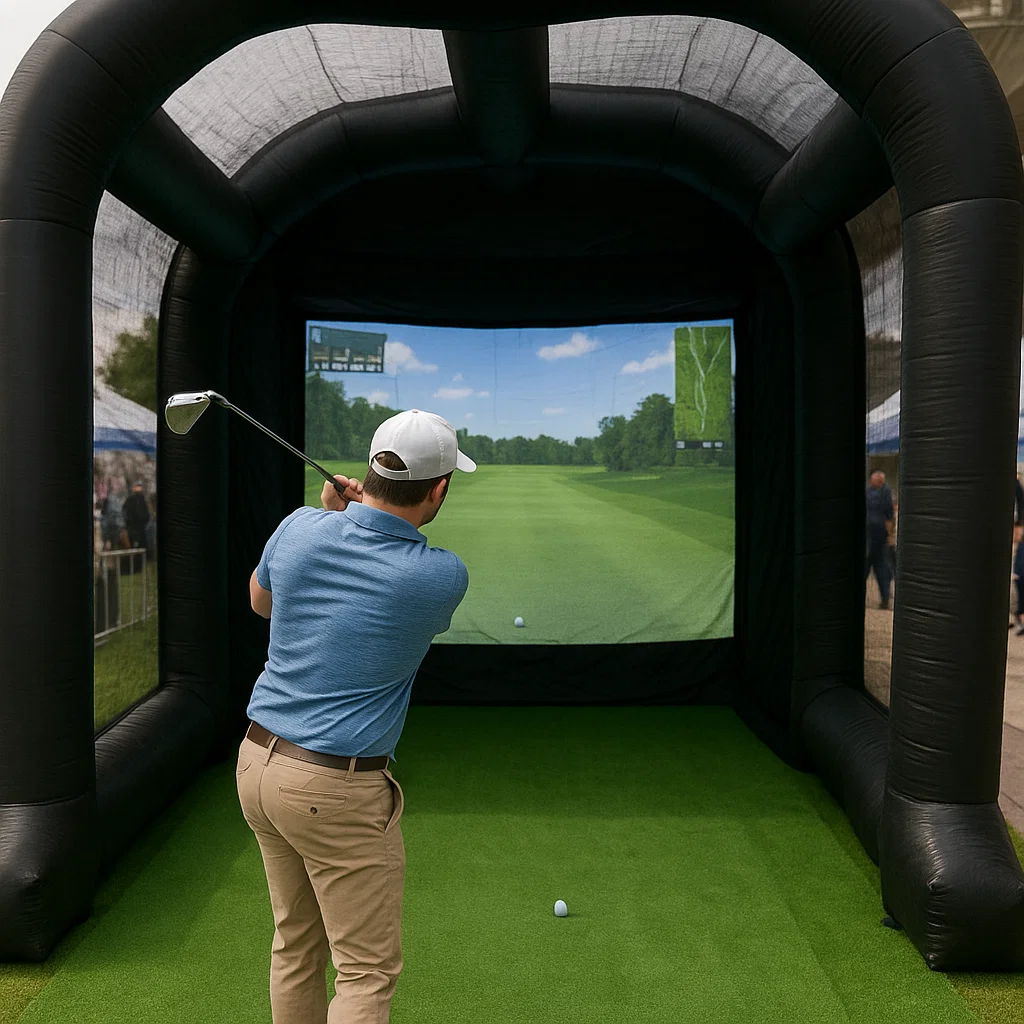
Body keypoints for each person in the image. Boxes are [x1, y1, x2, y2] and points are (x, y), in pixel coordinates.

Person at [235, 409, 476, 1024]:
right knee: (366, 973)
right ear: (439, 488)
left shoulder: (298, 527)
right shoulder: (440, 575)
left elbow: (262, 602)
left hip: (257, 764)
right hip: (332, 788)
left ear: (371, 470)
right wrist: (352, 517)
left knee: (296, 945)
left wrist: (332, 517)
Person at [866, 469, 895, 610]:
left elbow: (889, 517)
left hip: (876, 537)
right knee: (880, 569)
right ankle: (884, 599)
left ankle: (884, 599)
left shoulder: (884, 493)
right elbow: (889, 517)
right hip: (871, 536)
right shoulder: (876, 492)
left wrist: (890, 536)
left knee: (881, 570)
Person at [122, 481, 150, 550]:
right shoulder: (133, 499)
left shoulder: (140, 499)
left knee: (138, 547)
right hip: (134, 528)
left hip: (138, 528)